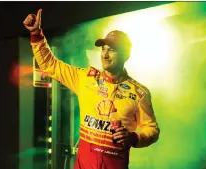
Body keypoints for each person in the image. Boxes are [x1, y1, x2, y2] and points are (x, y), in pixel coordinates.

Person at [23, 9, 160, 169]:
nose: (105, 55)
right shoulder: (86, 78)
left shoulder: (139, 93)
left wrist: (133, 138)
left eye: (112, 50)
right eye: (103, 49)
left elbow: (151, 129)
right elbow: (50, 65)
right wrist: (36, 34)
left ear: (125, 55)